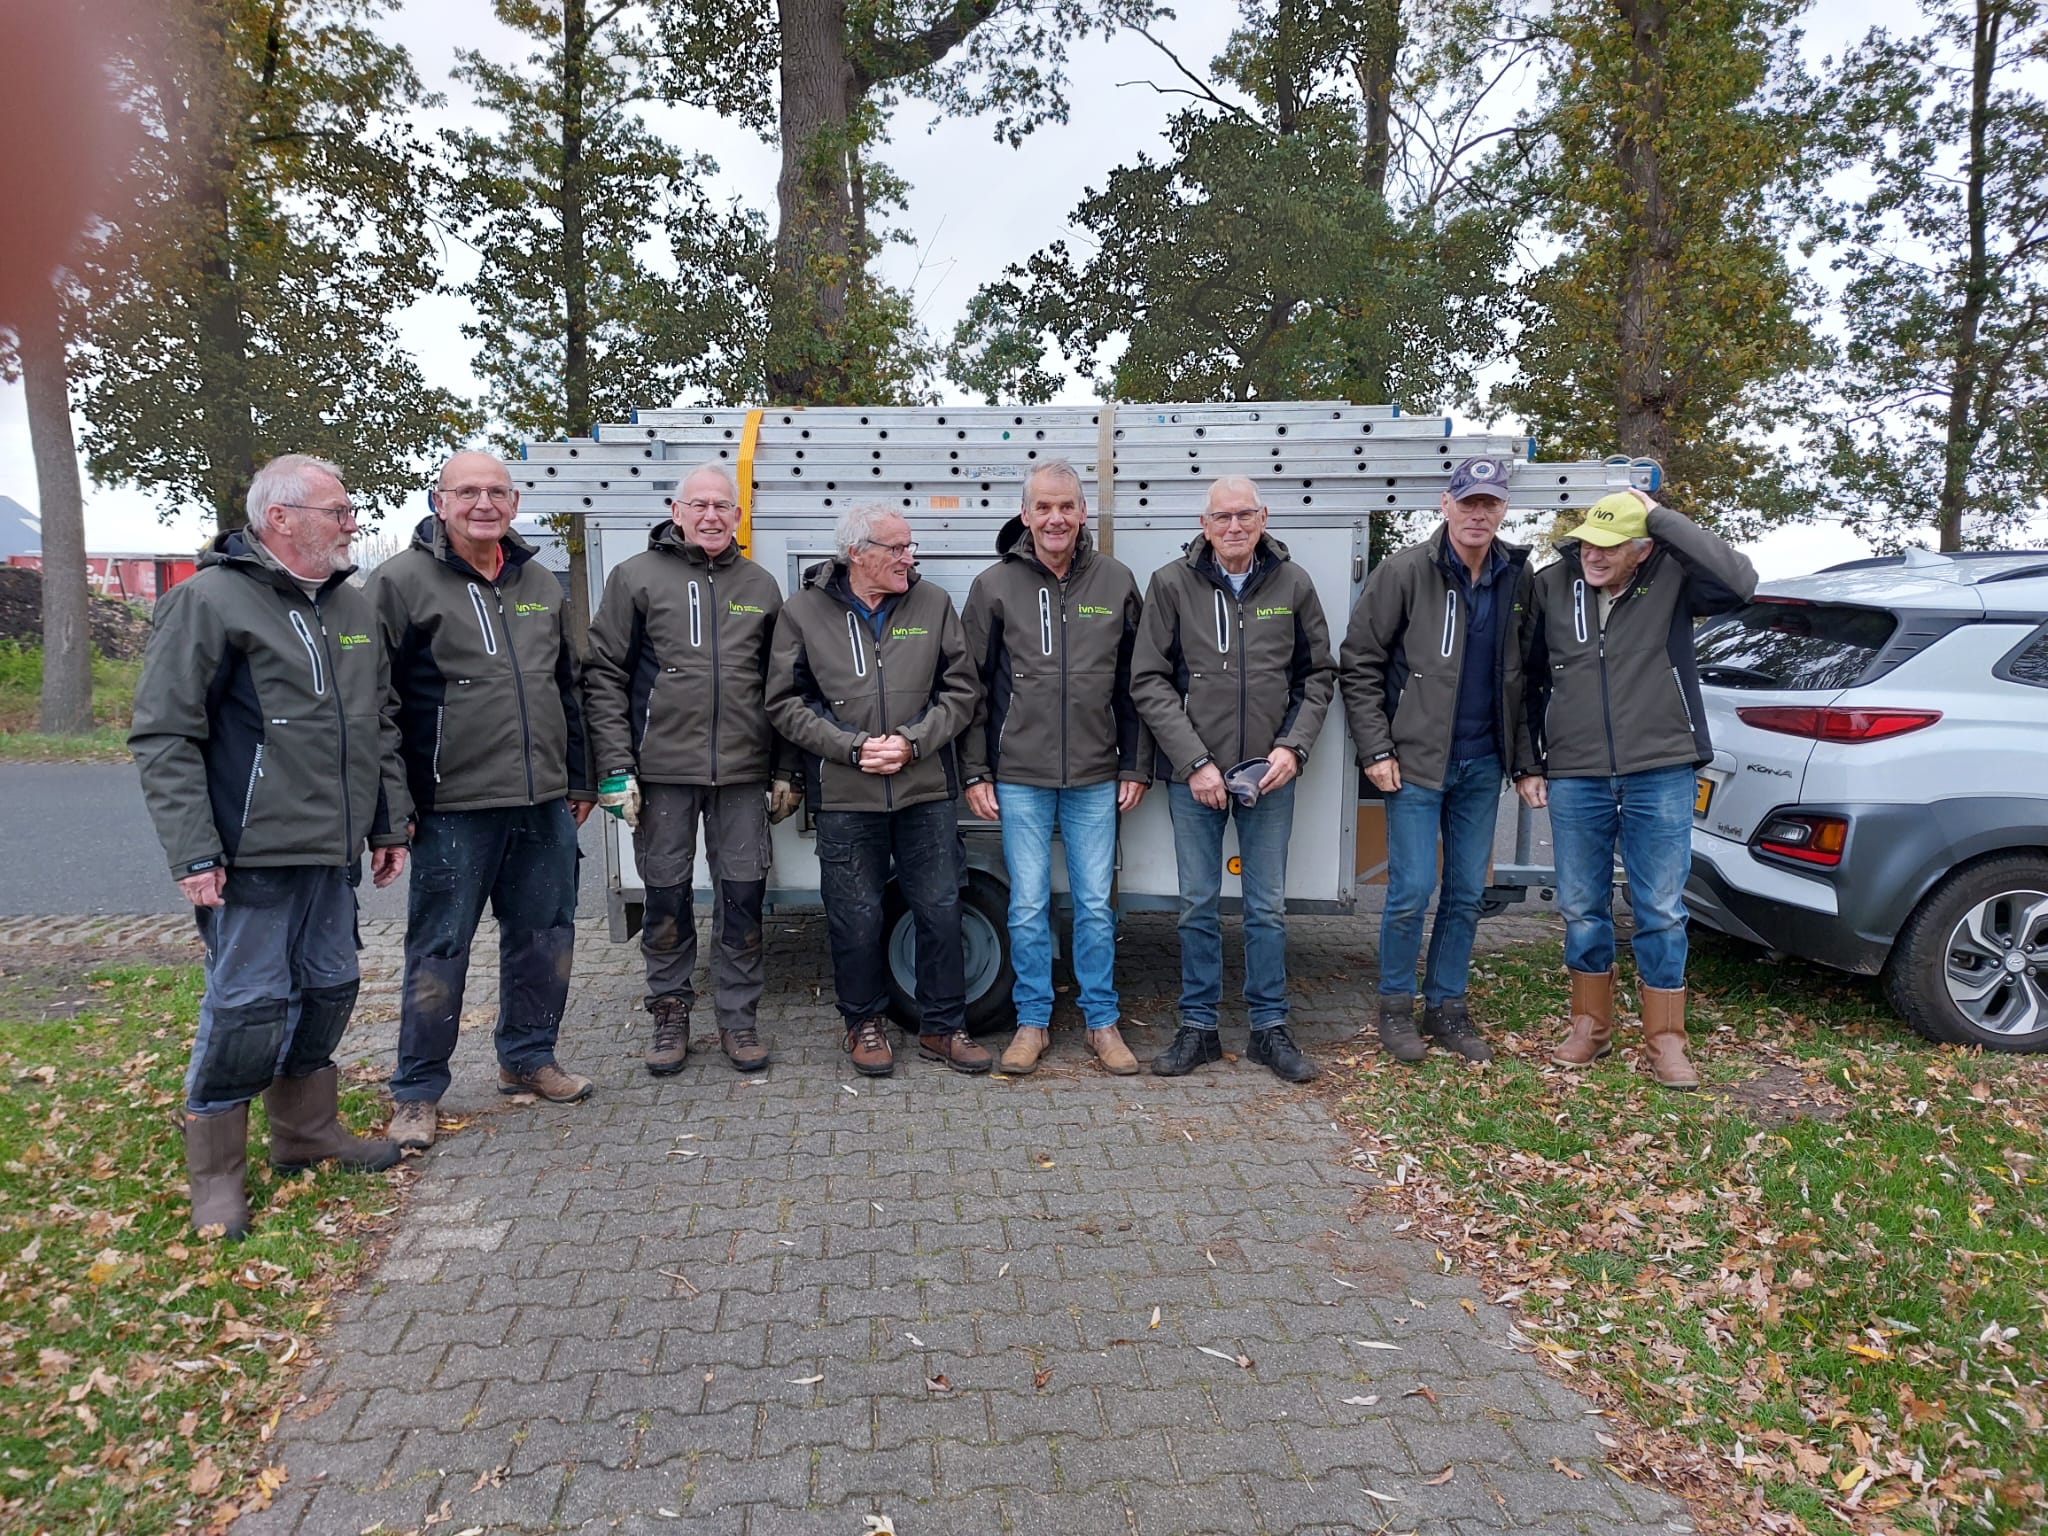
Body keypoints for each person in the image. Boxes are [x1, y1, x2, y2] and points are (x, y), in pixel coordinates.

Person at [130, 453, 409, 1238]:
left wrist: (386, 825)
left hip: (333, 850)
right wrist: (193, 852)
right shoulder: (208, 602)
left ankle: (305, 1132)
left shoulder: (351, 607)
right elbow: (165, 735)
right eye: (338, 510)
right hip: (248, 853)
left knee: (330, 987)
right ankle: (217, 1176)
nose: (351, 523)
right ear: (279, 518)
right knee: (247, 1004)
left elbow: (377, 725)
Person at [372, 450, 596, 1150]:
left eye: (497, 491)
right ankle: (416, 1090)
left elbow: (569, 684)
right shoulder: (400, 583)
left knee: (545, 935)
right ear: (439, 501)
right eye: (467, 491)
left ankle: (527, 1058)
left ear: (515, 500)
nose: (483, 504)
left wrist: (580, 776)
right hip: (452, 804)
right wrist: (393, 804)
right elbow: (375, 705)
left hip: (541, 799)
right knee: (439, 947)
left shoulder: (537, 581)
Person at [1523, 488, 1757, 1089]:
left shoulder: (1675, 578)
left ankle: (1666, 1040)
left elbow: (1741, 583)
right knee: (1581, 905)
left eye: (1609, 546)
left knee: (1659, 907)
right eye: (1586, 545)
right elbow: (1521, 677)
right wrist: (1528, 759)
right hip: (1575, 770)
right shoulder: (1552, 585)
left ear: (1642, 549)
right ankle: (1589, 1026)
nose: (1593, 557)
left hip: (1662, 765)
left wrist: (1660, 515)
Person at [584, 463, 799, 1075]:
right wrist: (616, 767)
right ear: (675, 512)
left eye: (721, 507)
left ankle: (738, 1019)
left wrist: (786, 769)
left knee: (742, 898)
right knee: (667, 898)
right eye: (697, 505)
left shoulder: (760, 586)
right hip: (662, 774)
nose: (710, 516)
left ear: (737, 517)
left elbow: (783, 687)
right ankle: (670, 1014)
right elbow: (604, 676)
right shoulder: (635, 578)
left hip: (742, 773)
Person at [765, 504, 986, 1077]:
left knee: (939, 910)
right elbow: (785, 703)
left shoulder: (932, 603)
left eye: (910, 548)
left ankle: (944, 1026)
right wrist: (853, 747)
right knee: (854, 917)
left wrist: (912, 743)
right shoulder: (803, 612)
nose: (910, 559)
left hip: (925, 792)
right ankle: (863, 1024)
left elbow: (961, 691)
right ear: (856, 553)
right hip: (845, 796)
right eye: (898, 548)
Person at [1131, 475, 1336, 1082]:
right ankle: (1197, 1028)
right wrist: (1194, 762)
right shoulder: (1171, 584)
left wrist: (1292, 750)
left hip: (1269, 775)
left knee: (1266, 907)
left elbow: (1317, 676)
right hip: (1194, 777)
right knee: (1197, 904)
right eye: (1221, 517)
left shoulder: (1294, 584)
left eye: (1244, 515)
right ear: (1204, 525)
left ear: (1264, 517)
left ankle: (1269, 1030)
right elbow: (1149, 680)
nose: (1234, 527)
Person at [1340, 456, 1542, 1065]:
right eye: (1468, 502)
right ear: (1445, 505)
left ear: (1504, 509)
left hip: (1484, 763)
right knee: (1410, 891)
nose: (1479, 513)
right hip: (1415, 763)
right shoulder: (1404, 572)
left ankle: (1447, 1007)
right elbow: (1360, 664)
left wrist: (1526, 761)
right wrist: (1375, 748)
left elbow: (1526, 678)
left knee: (1463, 894)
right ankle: (1396, 1009)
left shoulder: (1517, 578)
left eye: (1491, 503)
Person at [960, 461, 1151, 1076]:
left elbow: (1136, 685)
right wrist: (974, 771)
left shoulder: (1116, 581)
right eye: (1043, 507)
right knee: (1027, 907)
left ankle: (1101, 1022)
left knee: (1096, 905)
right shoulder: (993, 586)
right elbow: (971, 690)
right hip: (1019, 775)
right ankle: (1032, 1023)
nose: (1055, 519)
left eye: (1066, 506)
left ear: (1083, 512)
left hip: (1097, 774)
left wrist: (1137, 764)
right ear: (1025, 514)